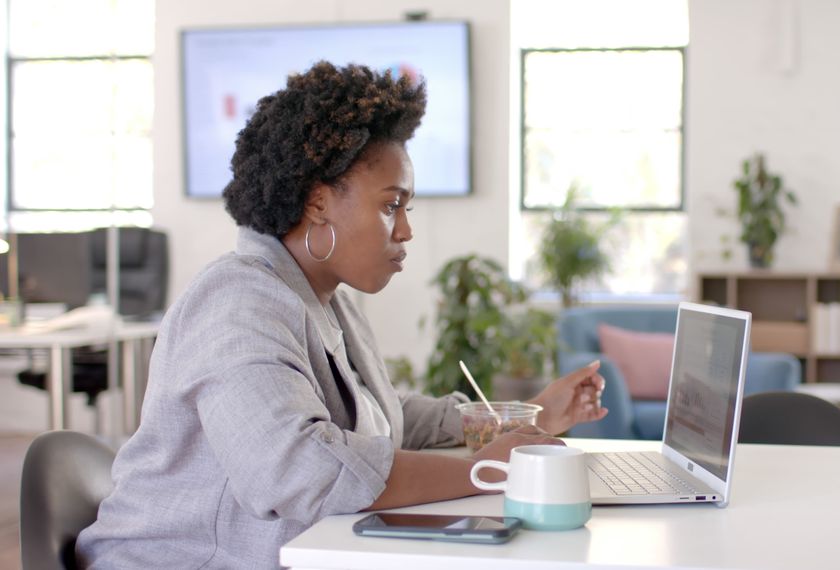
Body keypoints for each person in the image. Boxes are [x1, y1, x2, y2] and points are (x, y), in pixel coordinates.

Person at [76, 61, 607, 568]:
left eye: (406, 208)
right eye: (389, 205)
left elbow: (381, 416)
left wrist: (527, 417)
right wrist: (485, 469)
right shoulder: (236, 302)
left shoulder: (322, 295)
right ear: (317, 202)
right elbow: (298, 470)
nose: (405, 231)